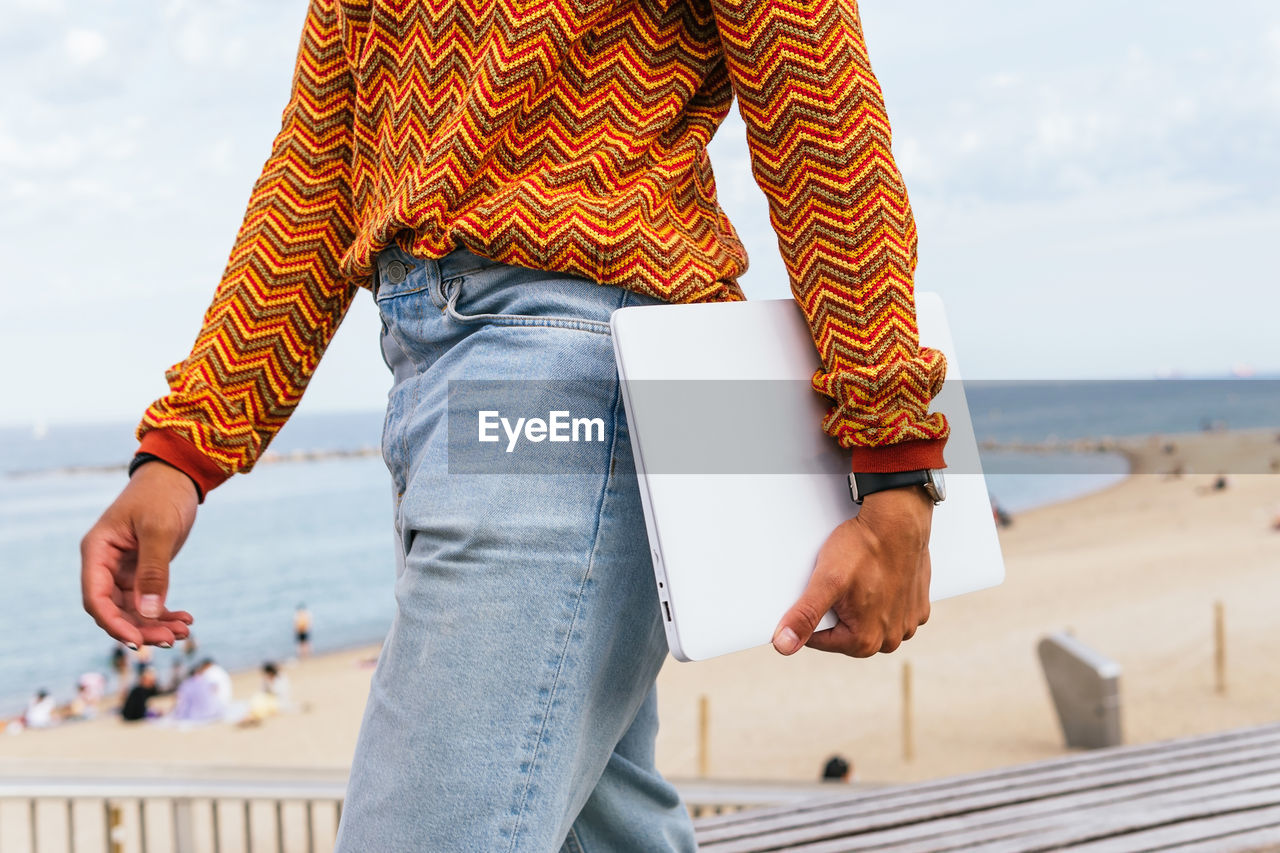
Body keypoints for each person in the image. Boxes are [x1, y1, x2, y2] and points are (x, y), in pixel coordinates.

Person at [79, 1, 947, 848]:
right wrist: (185, 446)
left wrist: (895, 467)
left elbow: (817, 104)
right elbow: (318, 163)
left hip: (560, 373)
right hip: (441, 377)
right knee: (599, 827)